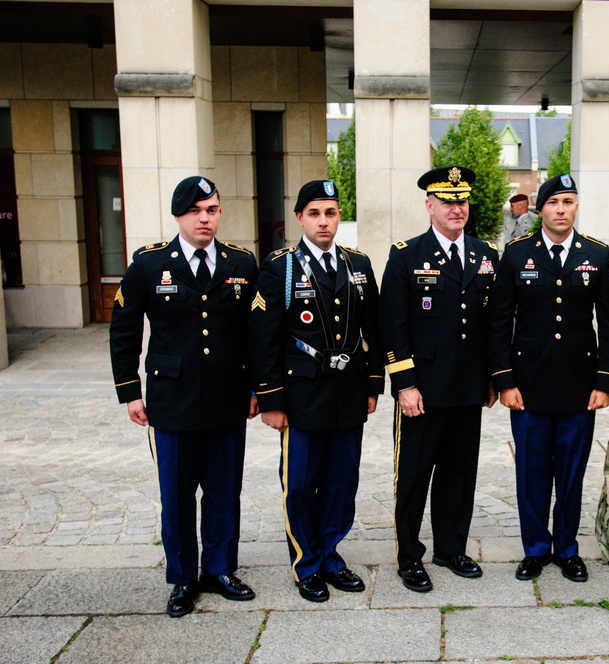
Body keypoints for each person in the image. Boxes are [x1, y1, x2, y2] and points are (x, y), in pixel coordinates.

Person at [109, 176, 258, 617]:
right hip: (171, 402)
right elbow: (124, 330)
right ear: (179, 215)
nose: (204, 218)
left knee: (223, 490)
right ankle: (182, 579)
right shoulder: (149, 265)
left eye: (211, 209)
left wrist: (255, 389)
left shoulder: (242, 263)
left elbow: (254, 332)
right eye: (195, 211)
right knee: (176, 496)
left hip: (228, 398)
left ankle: (219, 570)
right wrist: (130, 392)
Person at [248, 180, 383, 603]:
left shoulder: (357, 263)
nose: (324, 222)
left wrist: (374, 384)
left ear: (339, 215)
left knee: (342, 482)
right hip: (302, 394)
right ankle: (306, 563)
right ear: (300, 218)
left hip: (348, 392)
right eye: (314, 214)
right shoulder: (280, 266)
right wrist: (270, 398)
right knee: (303, 484)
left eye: (331, 213)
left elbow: (374, 328)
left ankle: (330, 555)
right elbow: (263, 336)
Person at [489, 173, 609, 582]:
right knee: (531, 472)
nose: (561, 210)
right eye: (553, 203)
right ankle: (535, 549)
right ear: (539, 209)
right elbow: (498, 321)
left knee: (570, 472)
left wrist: (604, 381)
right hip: (527, 386)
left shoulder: (597, 254)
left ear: (575, 207)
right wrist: (504, 381)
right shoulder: (516, 254)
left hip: (579, 388)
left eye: (568, 202)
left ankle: (566, 548)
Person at [379, 166, 499, 592]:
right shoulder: (406, 255)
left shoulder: (486, 254)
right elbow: (392, 327)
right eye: (447, 201)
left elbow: (493, 324)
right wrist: (405, 384)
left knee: (459, 473)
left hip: (468, 387)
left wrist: (492, 378)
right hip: (423, 391)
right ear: (429, 206)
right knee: (413, 475)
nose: (456, 208)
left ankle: (451, 548)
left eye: (462, 200)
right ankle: (409, 555)